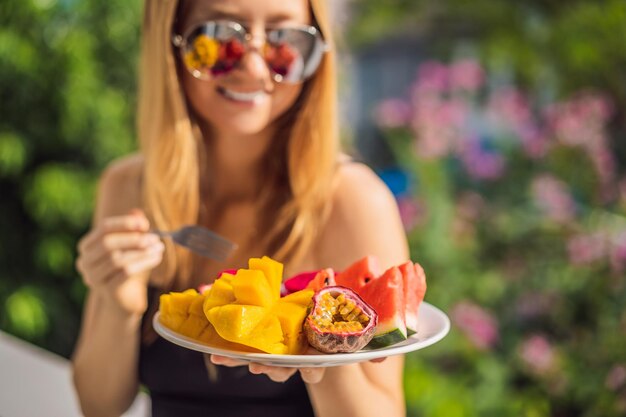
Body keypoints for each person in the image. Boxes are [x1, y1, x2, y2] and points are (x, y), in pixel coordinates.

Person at [71, 0, 409, 416]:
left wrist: (322, 351)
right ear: (171, 43)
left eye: (284, 41)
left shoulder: (354, 201)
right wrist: (117, 303)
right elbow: (97, 405)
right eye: (220, 38)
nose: (252, 69)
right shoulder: (128, 188)